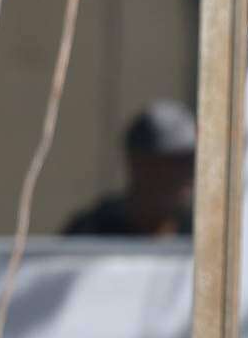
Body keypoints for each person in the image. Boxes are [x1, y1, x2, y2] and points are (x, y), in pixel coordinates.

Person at [63, 99, 196, 237]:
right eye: (174, 163)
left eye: (190, 162)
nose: (187, 174)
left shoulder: (199, 235)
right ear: (136, 164)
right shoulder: (90, 232)